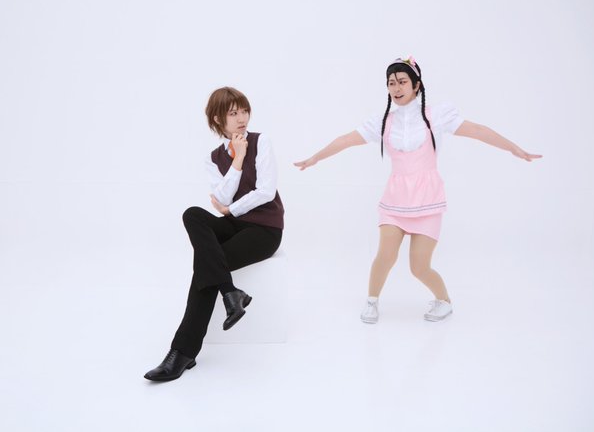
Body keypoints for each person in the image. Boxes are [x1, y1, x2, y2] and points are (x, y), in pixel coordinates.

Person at [294, 56, 541, 324]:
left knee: (419, 267)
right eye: (391, 83)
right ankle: (372, 301)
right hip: (395, 199)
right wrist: (315, 158)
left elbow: (478, 130)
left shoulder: (437, 116)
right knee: (385, 256)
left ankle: (444, 301)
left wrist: (514, 148)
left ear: (416, 85)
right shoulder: (383, 122)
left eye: (402, 82)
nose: (396, 88)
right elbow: (346, 140)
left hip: (428, 200)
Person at [145, 87, 284, 382]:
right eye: (233, 113)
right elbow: (220, 195)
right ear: (218, 119)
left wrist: (231, 210)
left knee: (205, 268)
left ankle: (182, 352)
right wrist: (237, 160)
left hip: (265, 229)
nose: (242, 118)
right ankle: (231, 293)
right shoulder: (213, 158)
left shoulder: (262, 141)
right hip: (237, 224)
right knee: (193, 214)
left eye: (244, 111)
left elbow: (265, 191)